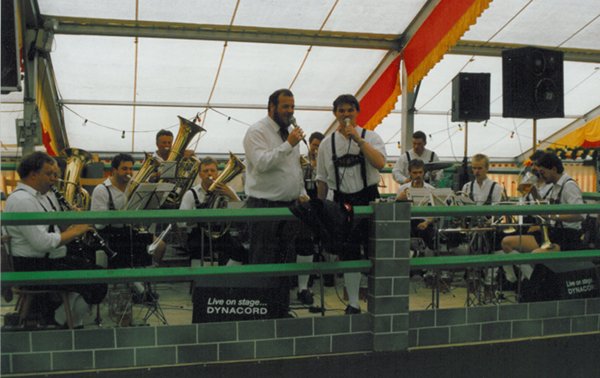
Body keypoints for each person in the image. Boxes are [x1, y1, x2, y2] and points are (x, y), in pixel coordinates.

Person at [5, 151, 107, 328]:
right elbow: (42, 243)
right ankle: (61, 320)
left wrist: (70, 218)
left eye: (55, 174)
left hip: (44, 259)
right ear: (33, 174)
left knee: (93, 269)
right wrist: (75, 231)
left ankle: (69, 321)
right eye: (49, 174)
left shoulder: (41, 196)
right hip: (32, 266)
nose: (54, 179)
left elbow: (52, 225)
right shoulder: (23, 201)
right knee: (98, 281)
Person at [243, 88, 314, 313]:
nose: (290, 111)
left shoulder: (290, 133)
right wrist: (288, 145)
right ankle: (261, 310)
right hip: (264, 207)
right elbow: (261, 163)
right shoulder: (257, 132)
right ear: (271, 107)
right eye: (285, 107)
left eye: (292, 107)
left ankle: (280, 309)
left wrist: (301, 190)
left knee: (285, 261)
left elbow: (294, 168)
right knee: (263, 260)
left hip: (290, 206)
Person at [316, 94, 387, 314]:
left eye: (350, 110)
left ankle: (381, 300)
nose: (346, 115)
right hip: (342, 200)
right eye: (341, 111)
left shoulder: (371, 136)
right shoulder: (327, 144)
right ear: (335, 114)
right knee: (349, 252)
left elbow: (380, 163)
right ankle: (354, 302)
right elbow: (321, 178)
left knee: (376, 249)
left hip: (368, 197)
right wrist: (319, 209)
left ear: (357, 112)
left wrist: (358, 140)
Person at [91, 153, 165, 301]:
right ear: (114, 170)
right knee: (123, 252)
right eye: (124, 169)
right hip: (109, 234)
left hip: (128, 230)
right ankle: (139, 290)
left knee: (160, 245)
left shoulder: (135, 187)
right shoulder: (101, 190)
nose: (129, 173)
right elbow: (98, 223)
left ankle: (144, 280)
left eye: (131, 169)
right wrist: (120, 214)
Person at [178, 157, 247, 267]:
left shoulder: (227, 190)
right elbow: (180, 222)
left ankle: (226, 278)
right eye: (205, 171)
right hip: (199, 233)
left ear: (218, 173)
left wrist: (232, 196)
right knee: (197, 251)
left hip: (221, 233)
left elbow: (242, 214)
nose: (209, 173)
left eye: (212, 170)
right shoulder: (191, 194)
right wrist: (196, 218)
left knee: (240, 252)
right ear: (200, 175)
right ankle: (199, 280)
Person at [396, 159, 436, 250]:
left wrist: (426, 222)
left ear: (424, 173)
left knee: (426, 231)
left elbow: (435, 212)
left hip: (425, 221)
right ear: (409, 173)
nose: (418, 175)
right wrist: (399, 199)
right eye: (414, 173)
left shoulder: (431, 189)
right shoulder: (402, 189)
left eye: (420, 172)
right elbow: (396, 211)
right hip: (407, 221)